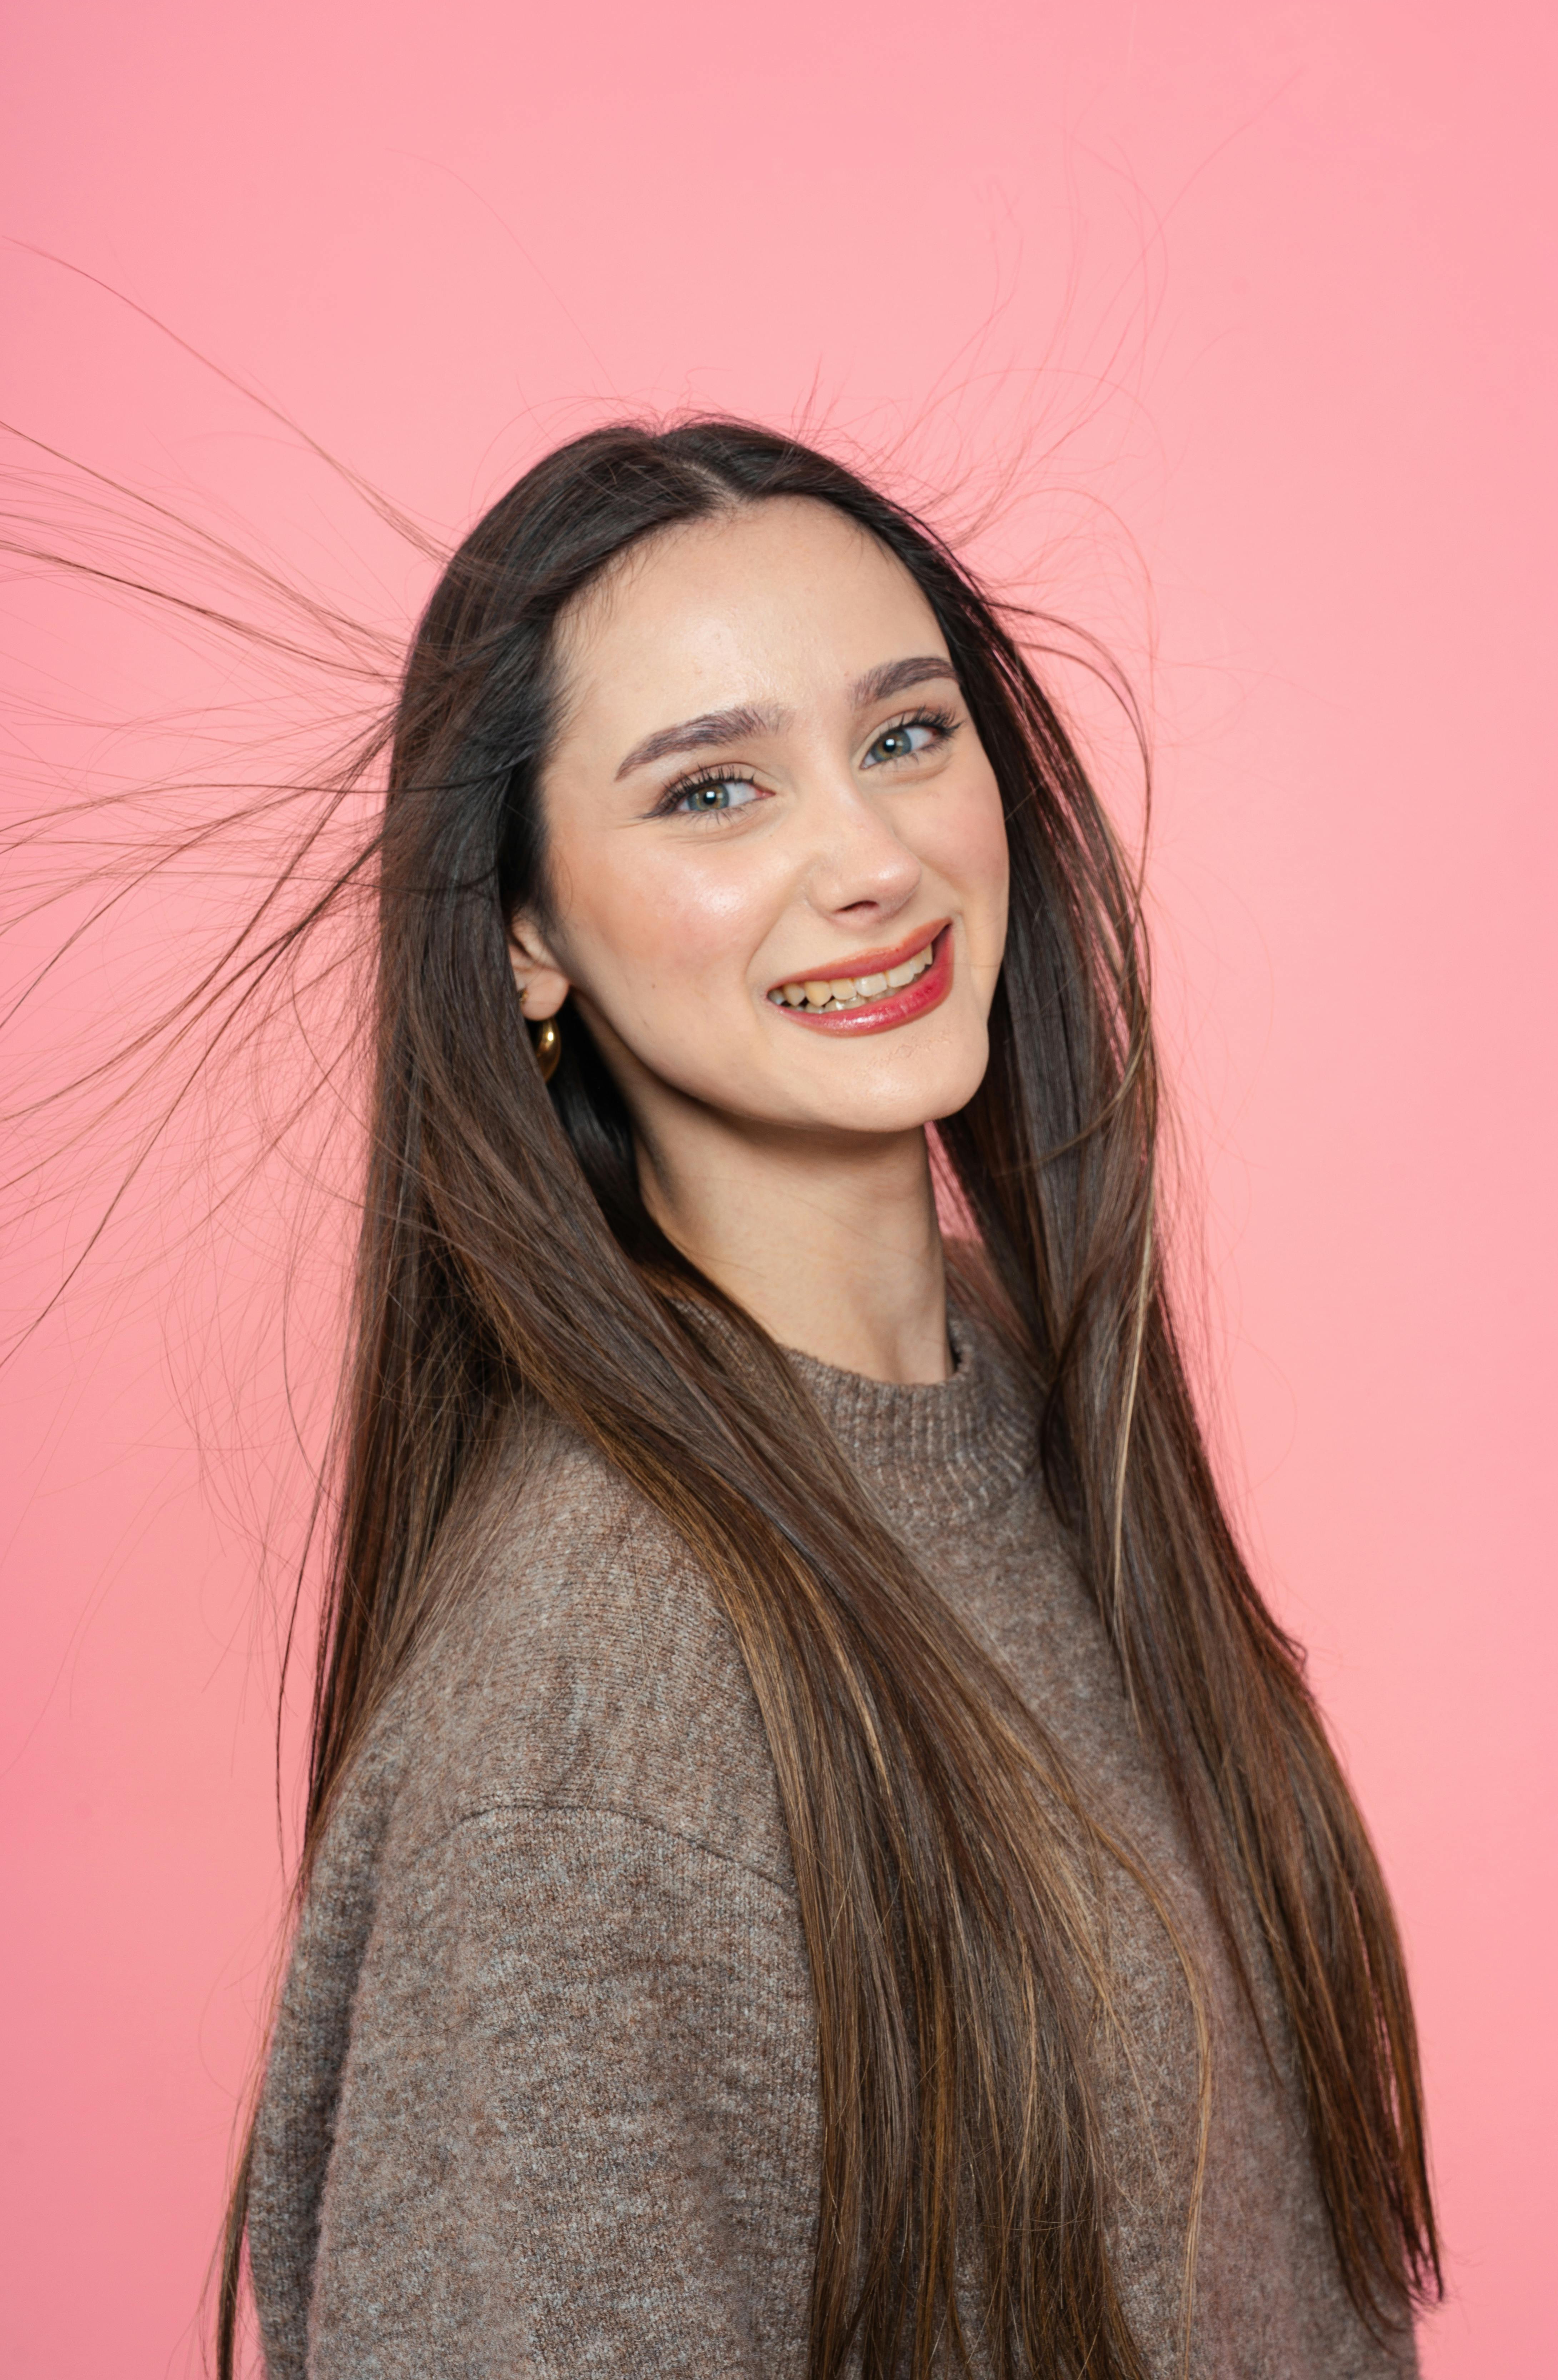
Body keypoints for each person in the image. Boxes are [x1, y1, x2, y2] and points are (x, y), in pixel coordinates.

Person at [228, 419, 1438, 2379]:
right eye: (714, 790)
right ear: (528, 937)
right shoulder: (591, 1709)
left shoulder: (1027, 1397)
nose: (873, 861)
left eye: (905, 735)